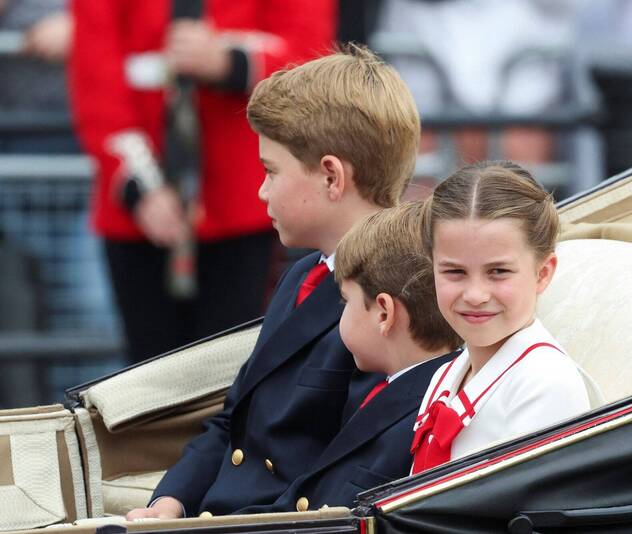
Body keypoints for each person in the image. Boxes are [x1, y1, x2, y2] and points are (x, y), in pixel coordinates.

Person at [125, 45, 421, 519]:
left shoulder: (391, 297)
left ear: (331, 177)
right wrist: (171, 500)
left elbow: (353, 464)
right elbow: (234, 419)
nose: (262, 190)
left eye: (271, 171)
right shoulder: (304, 274)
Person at [69, 0, 336, 363]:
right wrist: (142, 189)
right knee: (143, 380)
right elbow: (97, 85)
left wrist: (228, 60)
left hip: (242, 204)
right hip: (140, 216)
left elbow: (311, 55)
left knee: (230, 371)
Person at [235, 201, 462, 513]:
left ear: (384, 312)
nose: (341, 313)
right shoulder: (391, 390)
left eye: (345, 301)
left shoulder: (425, 414)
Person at [410, 161, 592, 474]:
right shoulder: (445, 376)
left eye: (498, 272)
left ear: (542, 273)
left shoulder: (546, 383)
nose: (475, 294)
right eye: (455, 272)